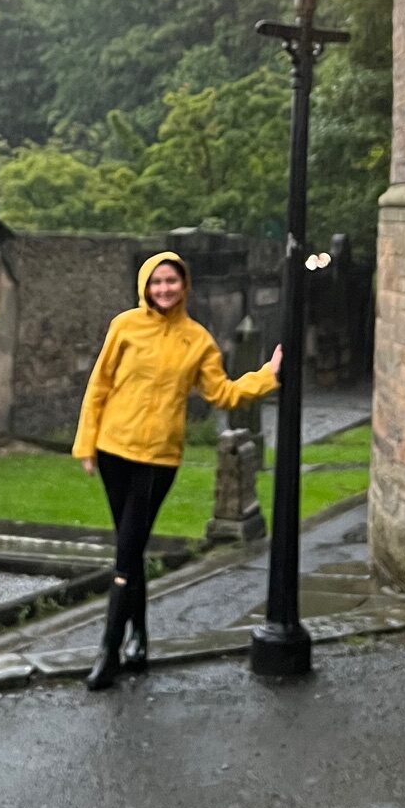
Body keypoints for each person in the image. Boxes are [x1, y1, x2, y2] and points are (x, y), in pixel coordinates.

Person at [72, 250, 281, 692]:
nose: (163, 289)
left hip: (158, 459)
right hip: (113, 449)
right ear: (145, 285)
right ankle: (141, 639)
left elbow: (221, 392)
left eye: (171, 282)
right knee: (131, 548)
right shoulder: (124, 326)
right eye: (156, 282)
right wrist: (86, 444)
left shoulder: (198, 340)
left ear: (184, 287)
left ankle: (108, 651)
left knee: (127, 549)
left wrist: (266, 376)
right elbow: (99, 385)